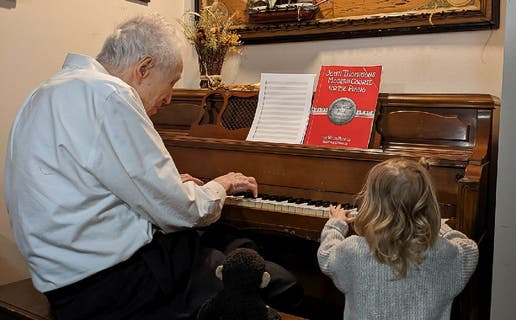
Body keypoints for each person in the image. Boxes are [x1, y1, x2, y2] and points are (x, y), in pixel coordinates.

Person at [4, 13, 298, 320]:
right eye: (170, 82)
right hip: (117, 287)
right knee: (272, 277)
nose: (170, 98)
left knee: (227, 244)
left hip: (62, 283)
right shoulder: (110, 95)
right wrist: (219, 185)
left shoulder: (47, 91)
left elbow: (87, 185)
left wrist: (167, 186)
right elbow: (184, 211)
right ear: (143, 68)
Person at [317, 158, 479, 320]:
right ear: (427, 205)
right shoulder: (444, 253)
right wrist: (441, 229)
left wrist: (335, 224)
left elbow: (326, 254)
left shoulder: (353, 250)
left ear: (372, 204)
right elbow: (470, 249)